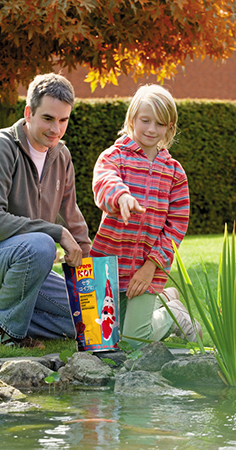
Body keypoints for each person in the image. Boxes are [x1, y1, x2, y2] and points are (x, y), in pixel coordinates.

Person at [0, 73, 91, 348]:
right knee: (41, 244)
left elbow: (71, 215)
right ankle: (3, 330)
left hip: (27, 266)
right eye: (48, 118)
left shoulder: (61, 155)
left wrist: (90, 272)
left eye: (64, 120)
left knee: (84, 315)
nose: (56, 129)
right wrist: (55, 232)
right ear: (29, 113)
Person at [90, 84, 202, 349]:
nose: (152, 129)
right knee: (102, 341)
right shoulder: (114, 156)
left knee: (132, 343)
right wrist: (121, 196)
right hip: (109, 265)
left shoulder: (174, 173)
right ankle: (167, 299)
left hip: (148, 270)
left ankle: (173, 314)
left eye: (160, 124)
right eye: (145, 120)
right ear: (132, 120)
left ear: (170, 127)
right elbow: (104, 182)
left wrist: (151, 266)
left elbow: (176, 227)